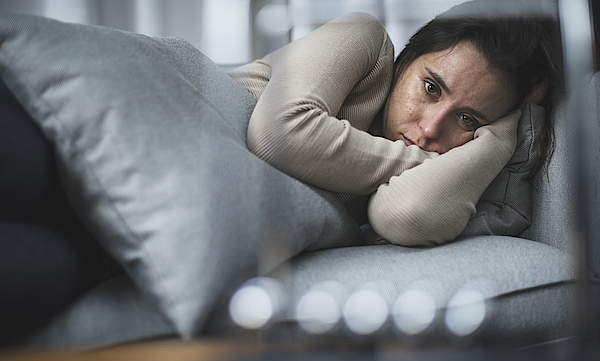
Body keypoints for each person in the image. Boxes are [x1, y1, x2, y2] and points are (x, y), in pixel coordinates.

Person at [228, 1, 561, 246]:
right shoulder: (362, 37)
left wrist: (503, 134)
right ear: (407, 60)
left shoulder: (395, 182)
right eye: (431, 88)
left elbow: (407, 214)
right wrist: (428, 163)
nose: (430, 129)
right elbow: (279, 134)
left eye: (467, 119)